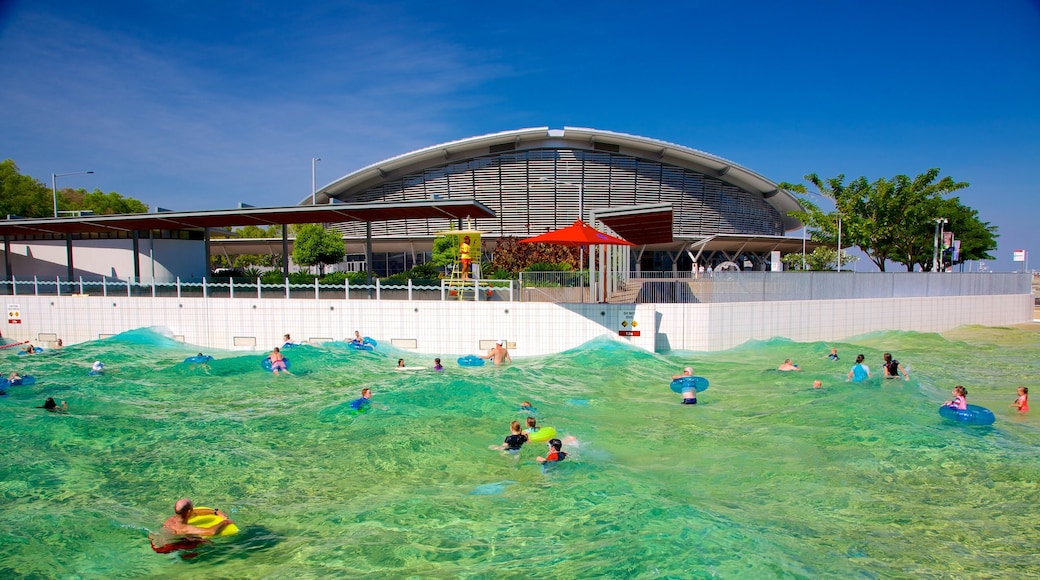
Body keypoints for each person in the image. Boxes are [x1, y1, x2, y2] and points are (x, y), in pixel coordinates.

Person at [149, 498, 233, 554]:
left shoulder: (172, 519)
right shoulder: (185, 528)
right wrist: (225, 522)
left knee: (190, 538)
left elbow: (196, 512)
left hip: (155, 542)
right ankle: (180, 558)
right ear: (189, 511)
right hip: (165, 548)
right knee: (206, 542)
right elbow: (212, 532)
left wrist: (216, 512)